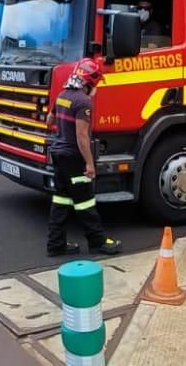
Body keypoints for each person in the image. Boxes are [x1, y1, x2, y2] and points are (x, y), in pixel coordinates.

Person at [46, 58, 123, 257]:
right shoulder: (83, 101)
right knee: (85, 201)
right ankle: (98, 242)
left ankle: (56, 245)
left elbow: (49, 120)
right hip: (73, 157)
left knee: (61, 201)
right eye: (95, 84)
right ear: (89, 82)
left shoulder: (62, 95)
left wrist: (63, 130)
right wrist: (89, 163)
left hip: (58, 154)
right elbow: (82, 137)